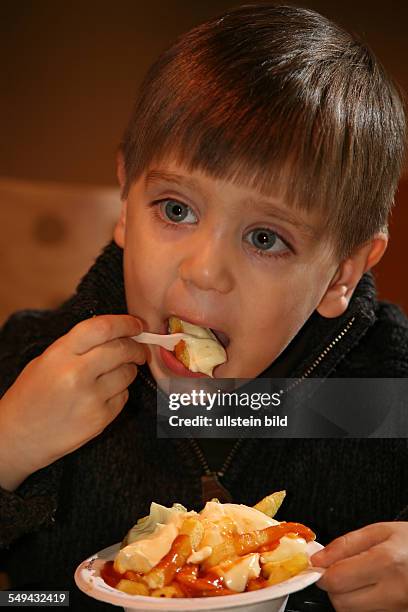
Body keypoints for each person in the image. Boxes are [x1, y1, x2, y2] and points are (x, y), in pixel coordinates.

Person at [0, 4, 407, 611]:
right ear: (124, 200)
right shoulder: (31, 364)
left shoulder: (391, 391)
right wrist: (8, 448)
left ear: (342, 272)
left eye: (265, 238)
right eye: (175, 209)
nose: (204, 271)